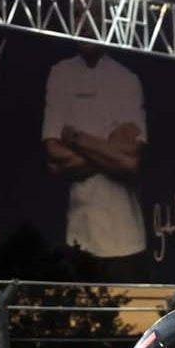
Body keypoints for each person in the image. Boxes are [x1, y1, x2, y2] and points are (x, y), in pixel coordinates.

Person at [43, 44, 147, 277]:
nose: (87, 28)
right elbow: (54, 153)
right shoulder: (61, 74)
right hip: (79, 234)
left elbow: (132, 156)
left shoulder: (126, 78)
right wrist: (112, 152)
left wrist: (76, 139)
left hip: (126, 235)